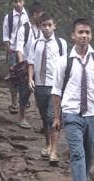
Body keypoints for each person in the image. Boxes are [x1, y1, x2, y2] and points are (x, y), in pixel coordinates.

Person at [53, 18, 94, 181]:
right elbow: (57, 90)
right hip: (71, 113)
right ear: (73, 36)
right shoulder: (64, 62)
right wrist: (57, 116)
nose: (84, 36)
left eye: (87, 32)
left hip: (92, 113)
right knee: (77, 153)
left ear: (91, 35)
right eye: (80, 32)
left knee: (88, 153)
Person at [25, 13, 69, 165]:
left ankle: (54, 151)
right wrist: (30, 78)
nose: (47, 28)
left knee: (52, 116)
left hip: (55, 86)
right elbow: (30, 62)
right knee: (44, 117)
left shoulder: (61, 43)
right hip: (39, 84)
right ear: (40, 26)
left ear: (54, 26)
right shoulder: (35, 43)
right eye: (44, 25)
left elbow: (65, 64)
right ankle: (48, 145)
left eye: (50, 25)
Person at [0, 0, 33, 123]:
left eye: (20, 1)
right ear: (12, 3)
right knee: (14, 77)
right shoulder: (8, 17)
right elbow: (6, 36)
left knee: (25, 77)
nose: (18, 4)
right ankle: (14, 103)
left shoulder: (28, 16)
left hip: (26, 50)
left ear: (23, 1)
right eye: (15, 2)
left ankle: (24, 100)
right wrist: (10, 52)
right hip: (14, 50)